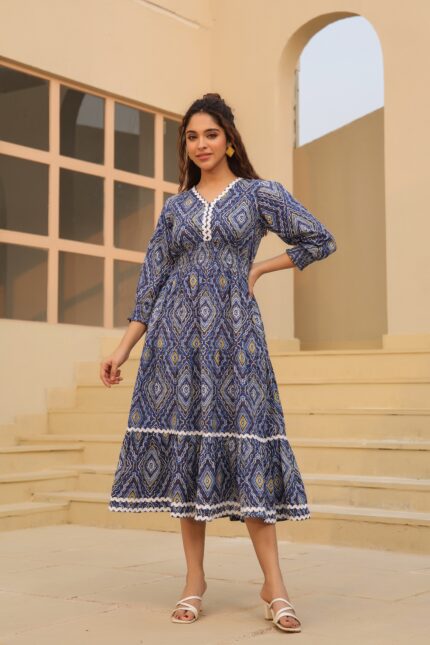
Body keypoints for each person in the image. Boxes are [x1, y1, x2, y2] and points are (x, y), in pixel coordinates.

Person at [100, 93, 337, 633]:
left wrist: (259, 269)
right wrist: (123, 348)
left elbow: (319, 239)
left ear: (229, 139)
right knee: (188, 455)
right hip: (175, 341)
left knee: (247, 447)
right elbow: (151, 283)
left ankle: (275, 586)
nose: (201, 144)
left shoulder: (259, 194)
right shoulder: (176, 209)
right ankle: (194, 581)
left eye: (210, 134)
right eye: (192, 136)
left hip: (236, 339)